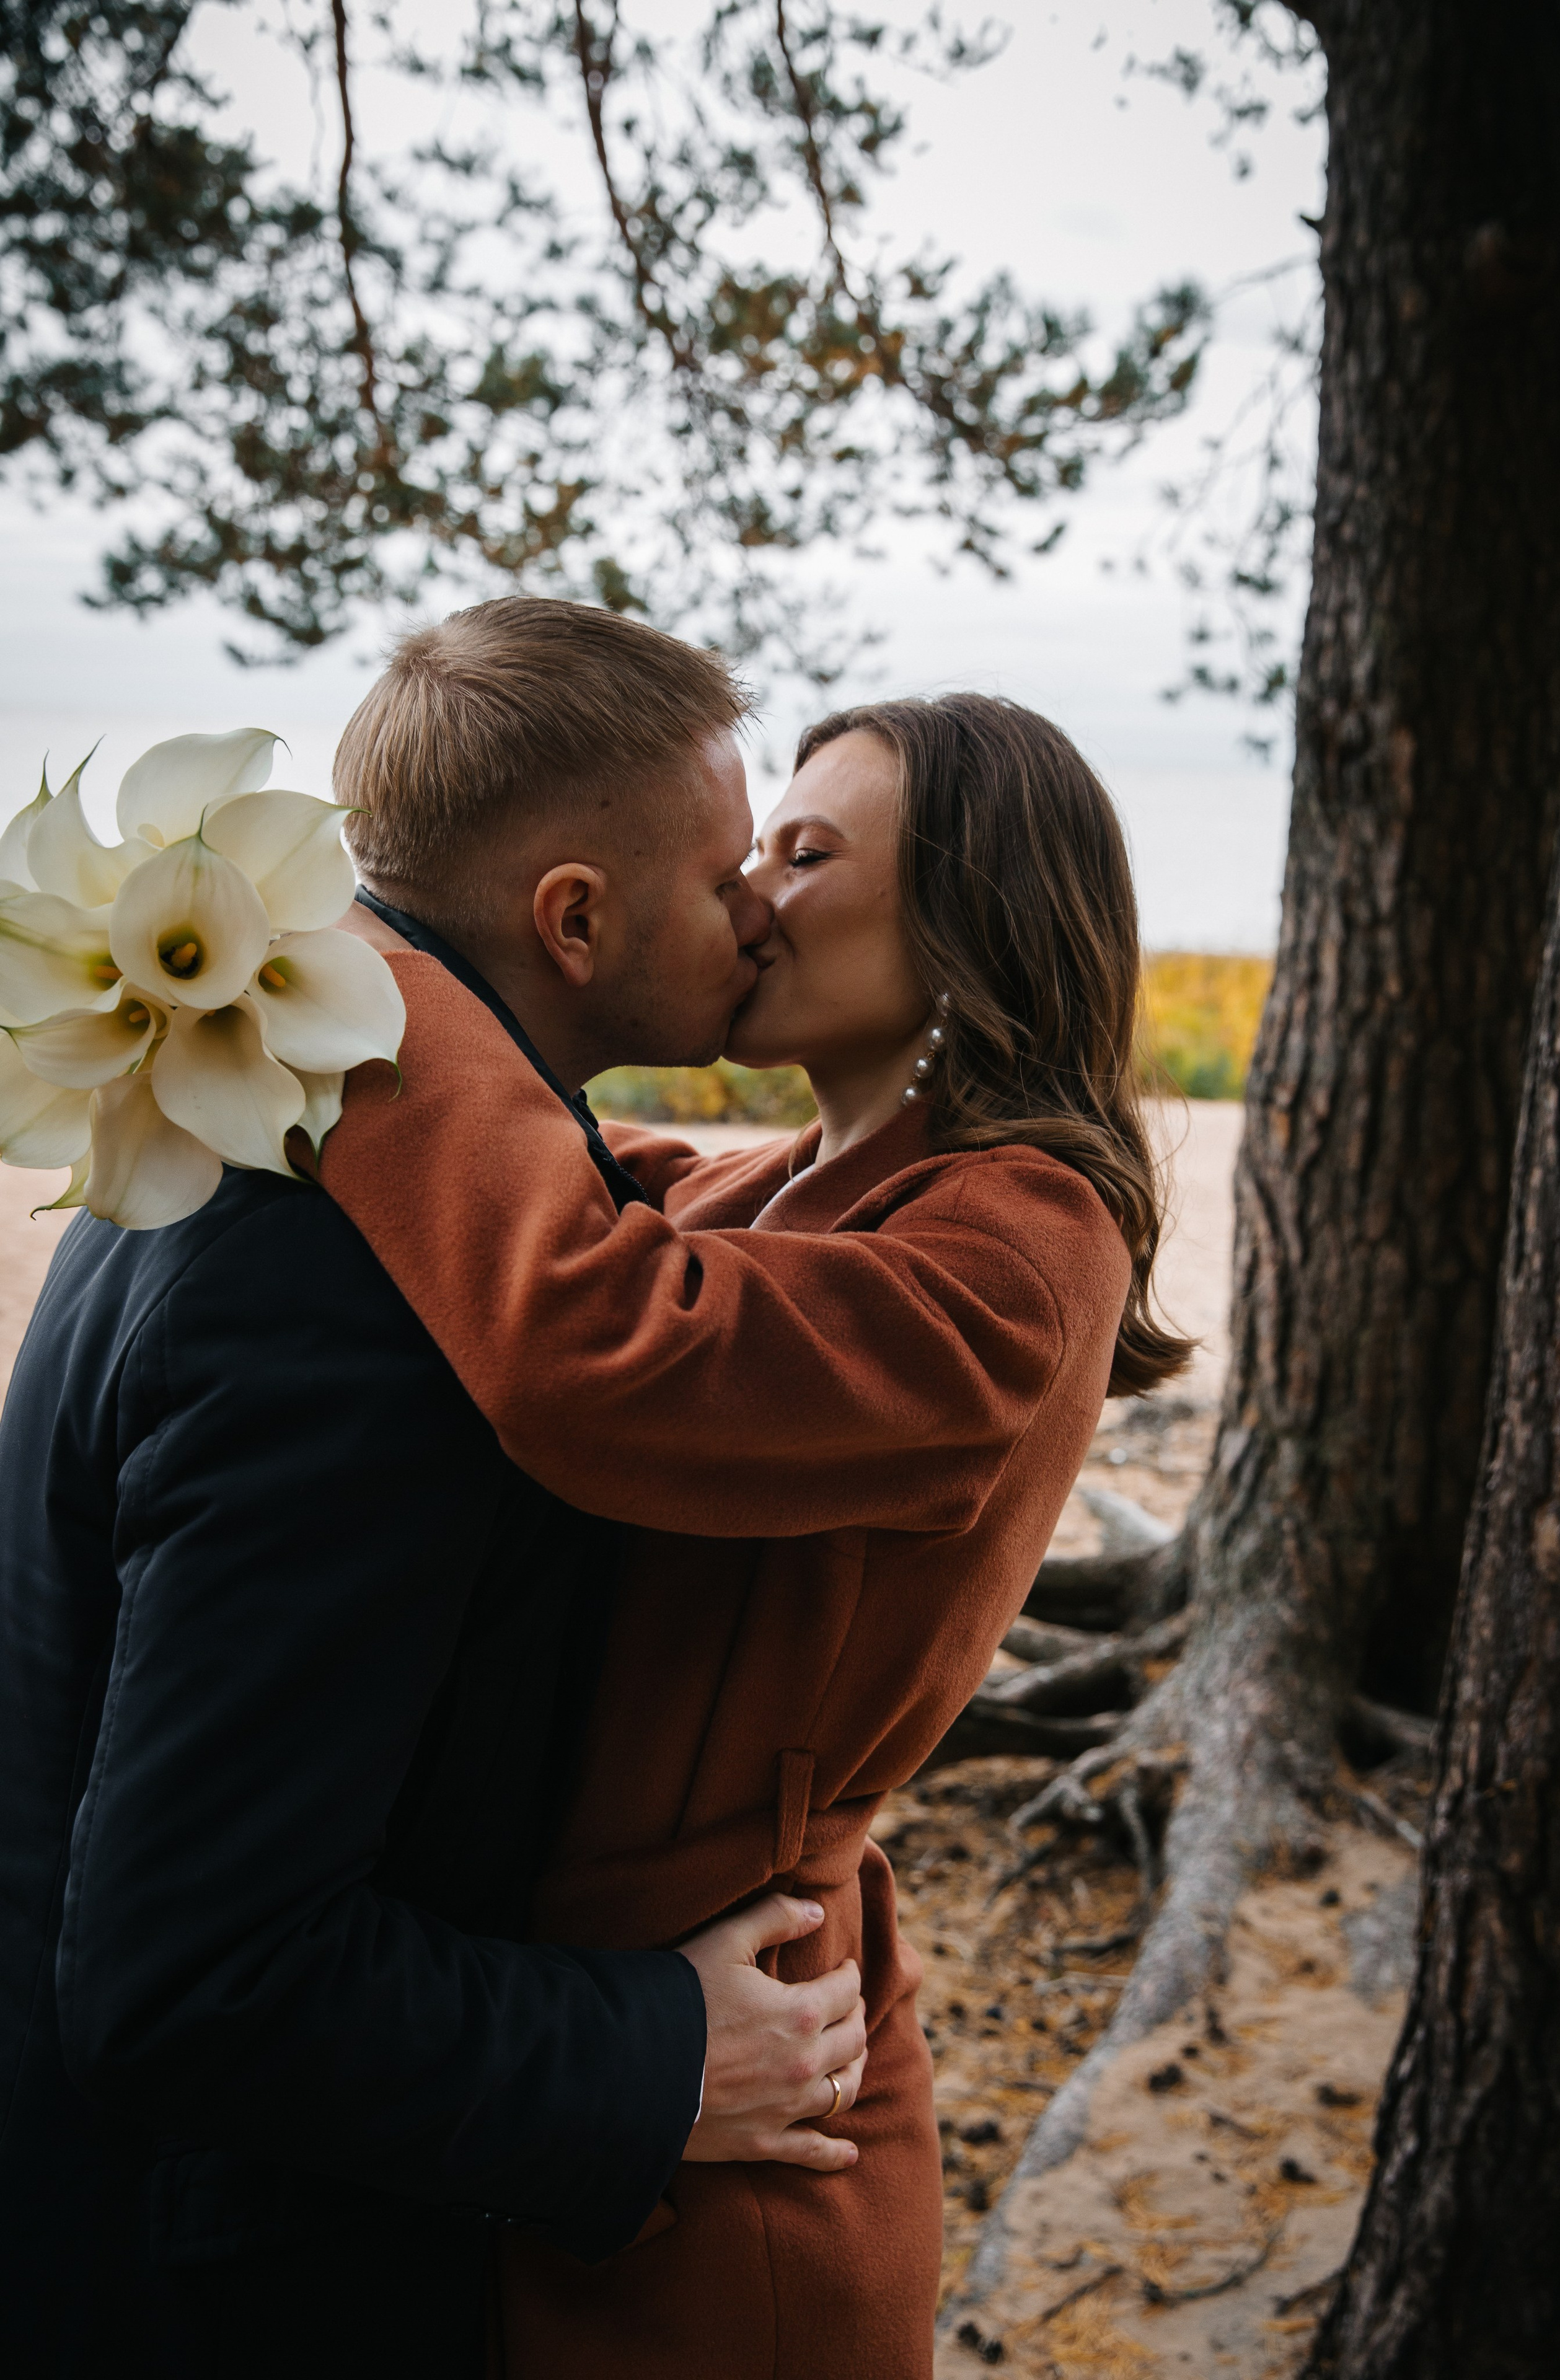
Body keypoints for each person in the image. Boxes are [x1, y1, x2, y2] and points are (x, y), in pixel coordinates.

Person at [0, 601, 870, 2380]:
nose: (762, 909)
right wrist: (657, 2051)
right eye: (725, 878)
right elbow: (194, 1979)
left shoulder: (258, 1123)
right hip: (216, 2294)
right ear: (574, 917)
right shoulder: (348, 1295)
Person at [322, 682, 1191, 2377]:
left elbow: (597, 1346)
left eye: (803, 853)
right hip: (610, 2045)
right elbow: (565, 1162)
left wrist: (370, 985)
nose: (746, 894)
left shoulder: (1020, 1244)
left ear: (968, 916)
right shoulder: (775, 1186)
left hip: (741, 2104)